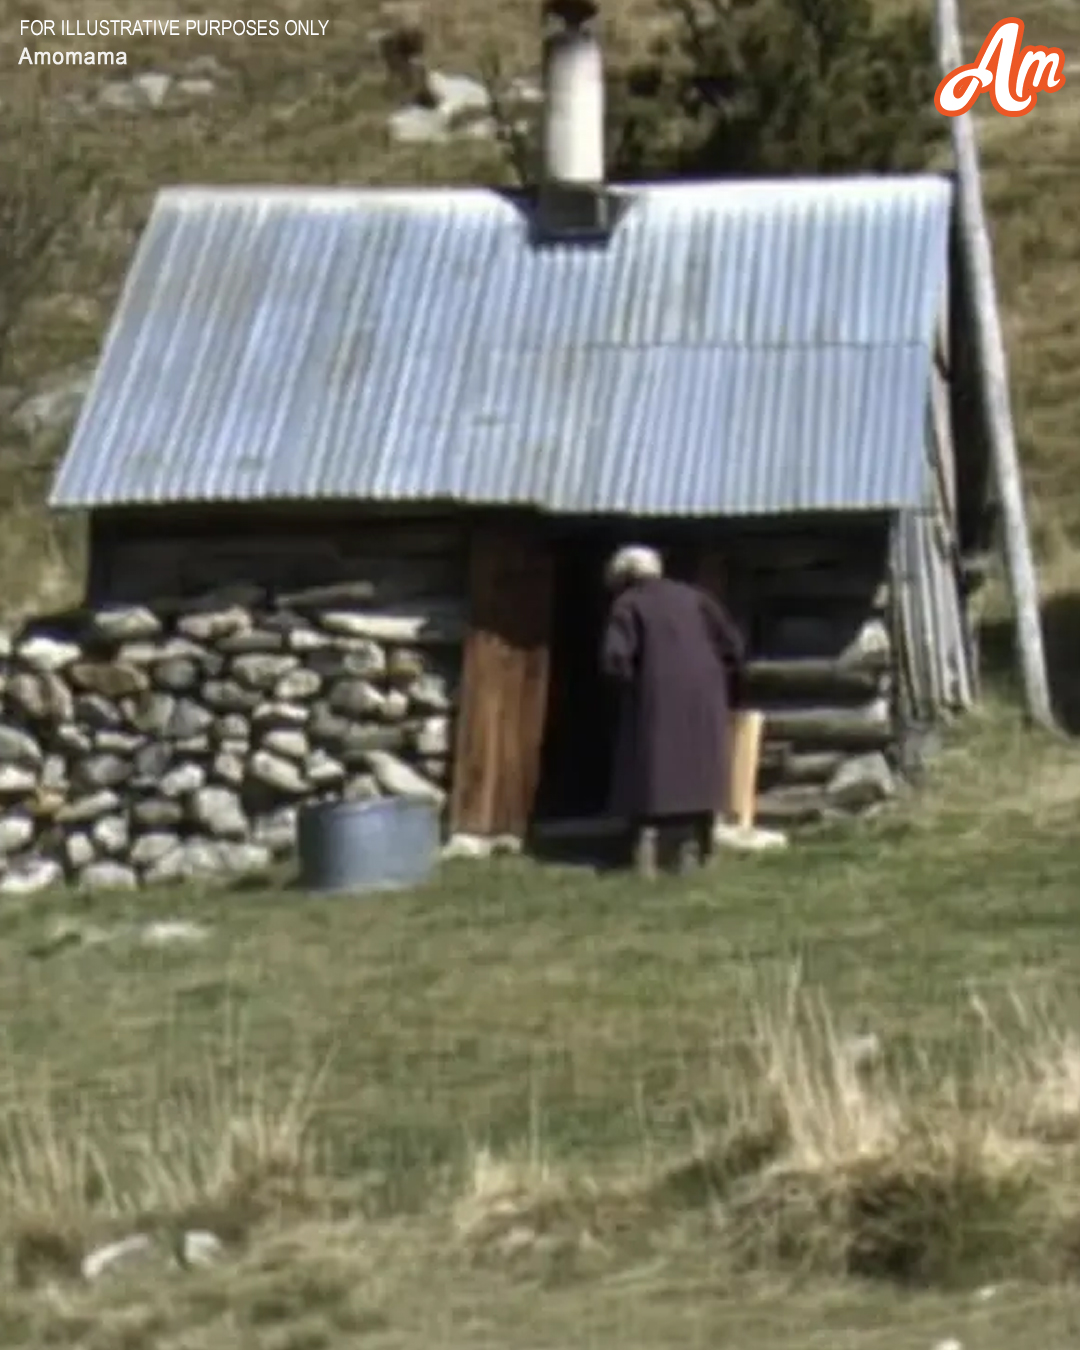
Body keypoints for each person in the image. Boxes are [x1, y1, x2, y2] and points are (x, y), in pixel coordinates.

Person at [600, 545, 745, 877]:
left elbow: (615, 659)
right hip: (706, 695)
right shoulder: (696, 597)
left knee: (655, 768)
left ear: (625, 577)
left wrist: (629, 689)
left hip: (655, 696)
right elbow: (732, 645)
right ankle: (700, 849)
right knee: (700, 766)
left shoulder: (628, 603)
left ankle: (650, 855)